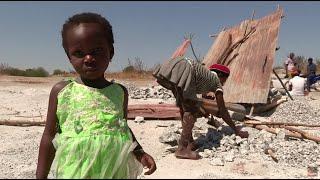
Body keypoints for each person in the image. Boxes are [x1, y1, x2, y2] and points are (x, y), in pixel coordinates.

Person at [36, 12, 156, 179]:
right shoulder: (62, 91)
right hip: (76, 169)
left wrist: (139, 152)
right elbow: (49, 136)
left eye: (97, 50)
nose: (88, 58)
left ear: (111, 52)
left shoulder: (119, 92)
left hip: (114, 168)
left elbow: (121, 126)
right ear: (69, 57)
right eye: (79, 53)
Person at [153, 56, 248, 160]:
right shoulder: (216, 83)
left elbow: (200, 100)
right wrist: (236, 130)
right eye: (225, 79)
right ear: (221, 75)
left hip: (175, 63)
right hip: (187, 68)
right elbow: (223, 110)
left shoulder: (205, 75)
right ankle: (182, 149)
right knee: (191, 110)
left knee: (183, 106)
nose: (224, 83)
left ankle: (190, 142)